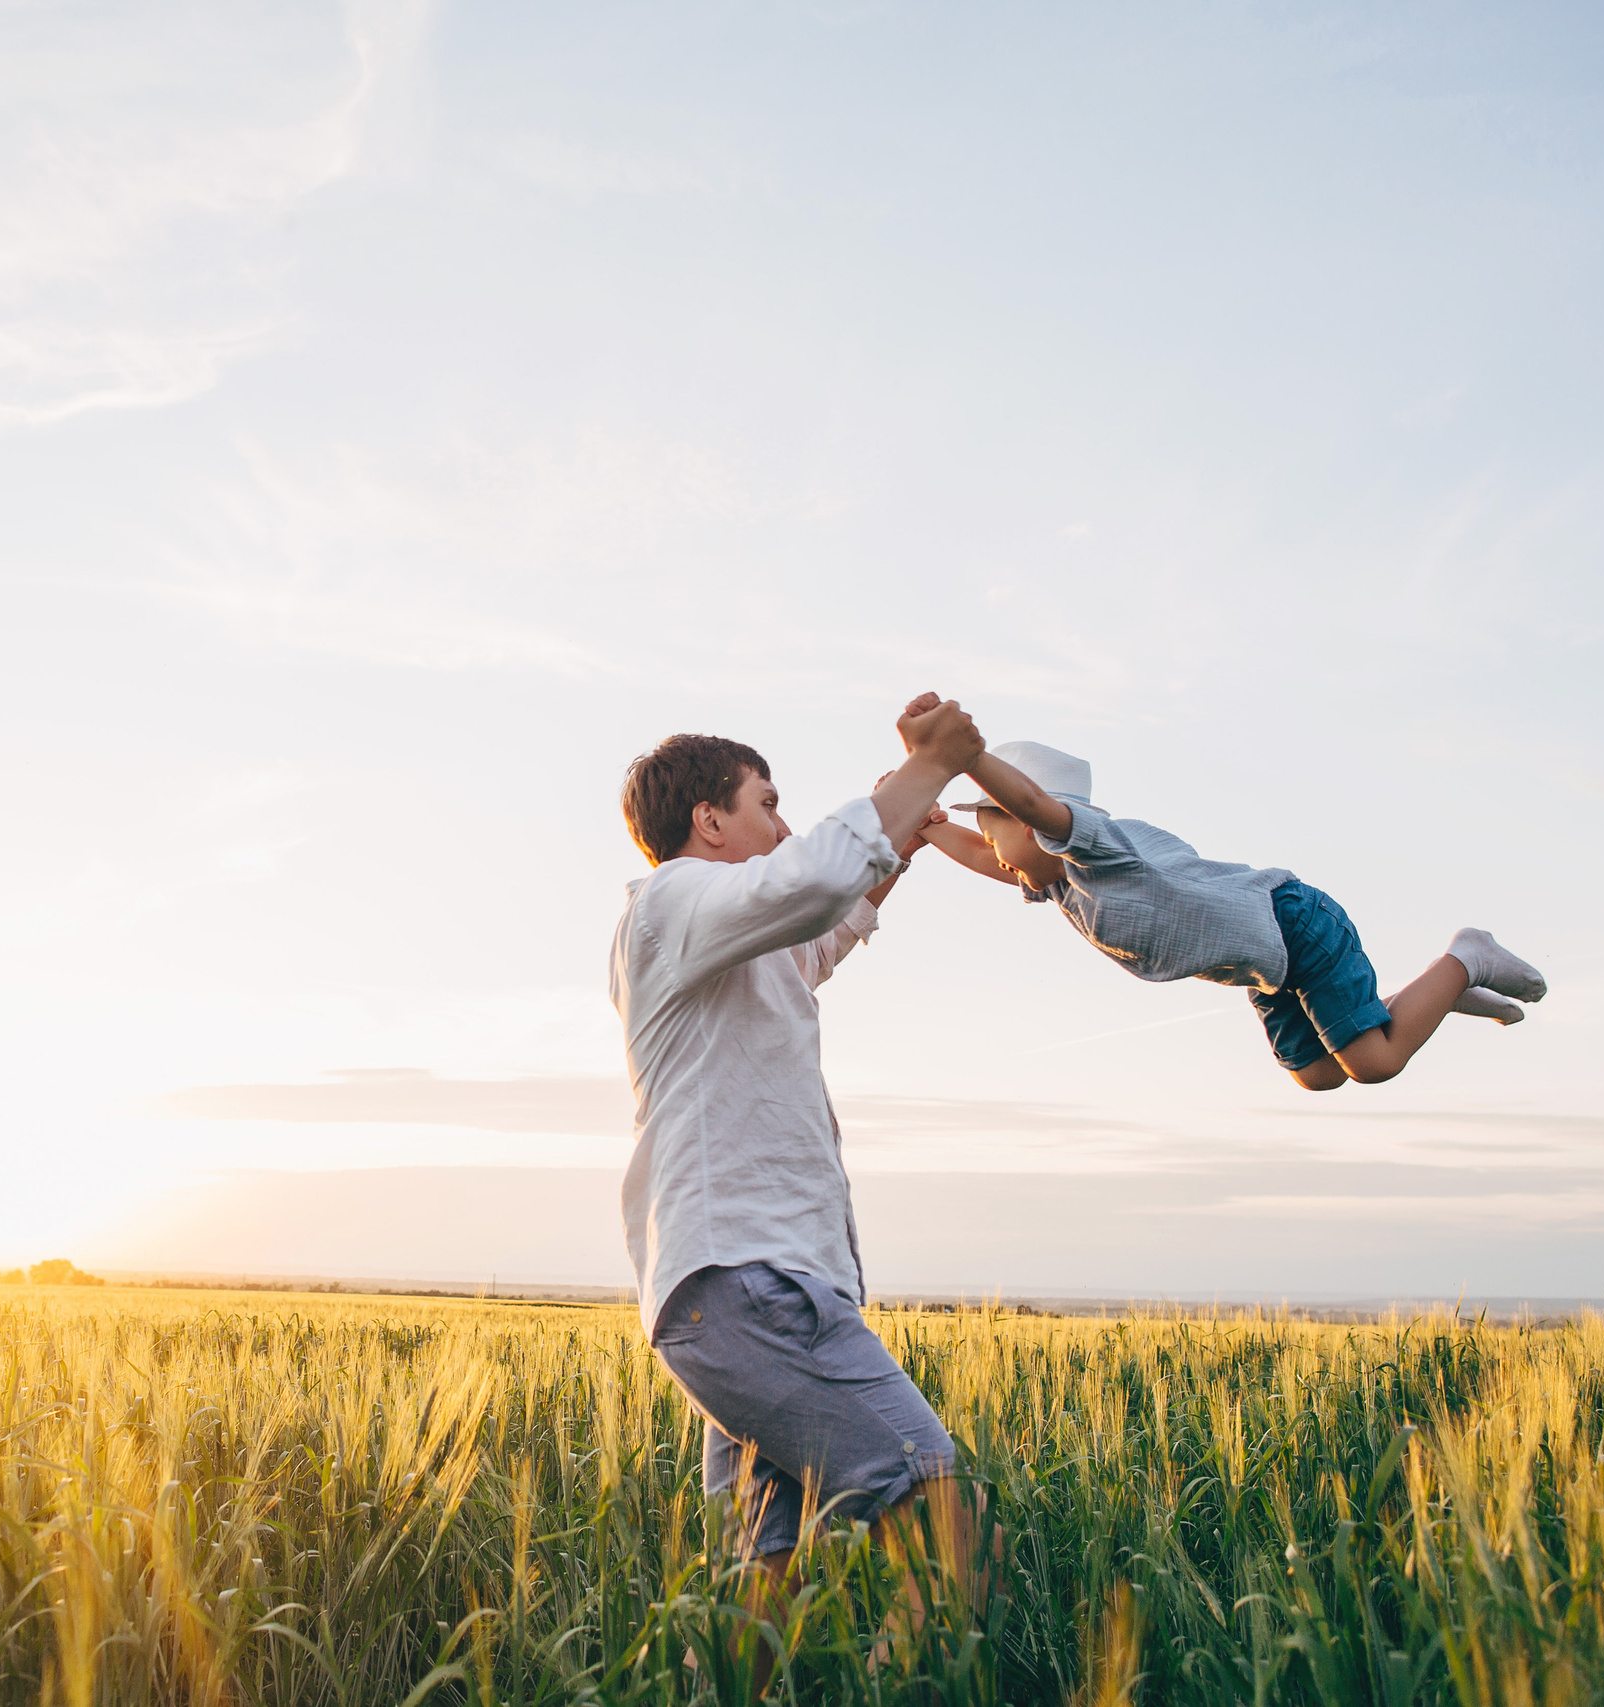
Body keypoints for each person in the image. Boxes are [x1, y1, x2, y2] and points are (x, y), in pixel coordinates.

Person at [610, 697, 990, 1689]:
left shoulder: (731, 942)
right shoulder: (672, 901)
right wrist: (928, 769)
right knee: (942, 1510)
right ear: (707, 822)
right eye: (766, 804)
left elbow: (822, 929)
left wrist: (898, 841)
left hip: (743, 1292)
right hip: (749, 1285)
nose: (781, 824)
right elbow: (814, 877)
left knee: (756, 1588)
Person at [913, 709, 1546, 1091]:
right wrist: (930, 824)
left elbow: (1028, 803)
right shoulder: (1057, 882)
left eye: (988, 828)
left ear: (1030, 824)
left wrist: (967, 758)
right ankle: (1433, 997)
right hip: (1268, 968)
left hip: (1294, 925)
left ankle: (1467, 957)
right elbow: (978, 855)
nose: (987, 847)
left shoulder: (1099, 850)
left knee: (1372, 1065)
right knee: (1317, 1074)